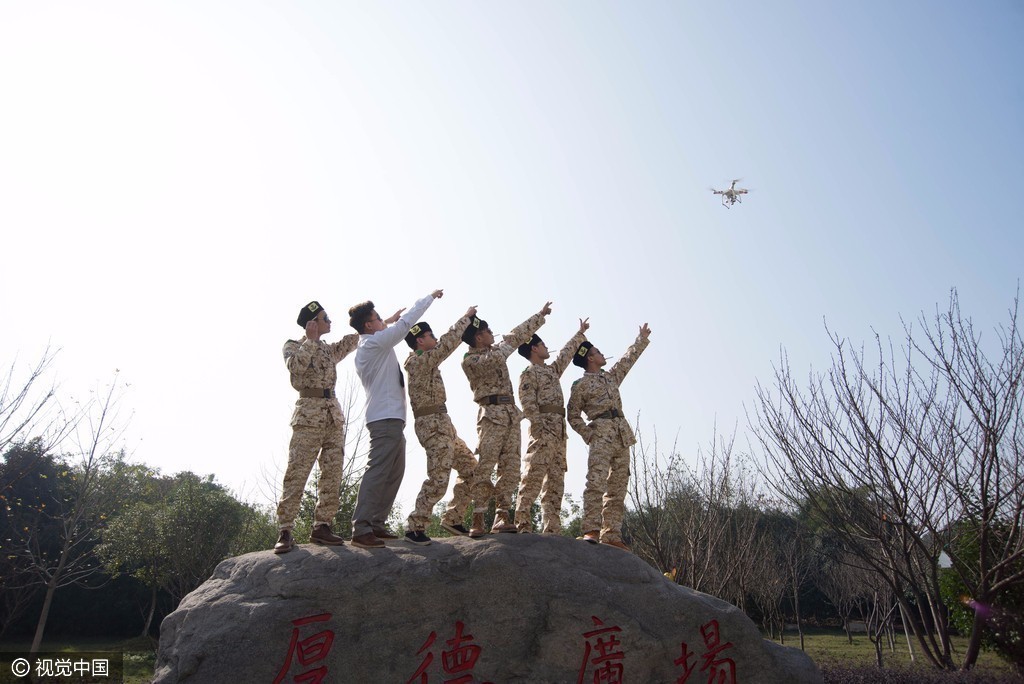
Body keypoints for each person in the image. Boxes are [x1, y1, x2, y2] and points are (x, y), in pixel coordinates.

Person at [347, 290, 442, 549]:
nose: (383, 322)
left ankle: (376, 523)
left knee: (394, 473)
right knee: (378, 472)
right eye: (378, 319)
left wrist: (385, 321)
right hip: (384, 418)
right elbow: (404, 325)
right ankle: (362, 528)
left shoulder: (372, 342)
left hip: (392, 419)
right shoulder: (373, 344)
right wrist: (428, 299)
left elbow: (388, 327)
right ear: (369, 325)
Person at [274, 301, 360, 554]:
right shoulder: (294, 346)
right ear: (312, 323)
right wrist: (310, 341)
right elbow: (295, 370)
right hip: (308, 416)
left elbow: (349, 342)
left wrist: (381, 324)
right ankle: (285, 530)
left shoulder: (327, 349)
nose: (330, 321)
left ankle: (322, 526)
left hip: (333, 416)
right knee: (297, 473)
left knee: (332, 474)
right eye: (325, 318)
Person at [461, 302, 550, 537]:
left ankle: (502, 515)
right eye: (488, 332)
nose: (493, 335)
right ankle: (478, 517)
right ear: (479, 338)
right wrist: (507, 344)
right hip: (491, 415)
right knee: (486, 466)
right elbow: (505, 348)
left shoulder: (495, 351)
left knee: (510, 467)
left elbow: (516, 335)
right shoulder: (470, 360)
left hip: (510, 413)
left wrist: (539, 316)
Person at [567, 323, 651, 551]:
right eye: (597, 352)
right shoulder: (581, 385)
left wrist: (640, 339)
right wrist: (588, 434)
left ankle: (612, 533)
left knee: (618, 487)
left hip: (622, 434)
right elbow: (572, 415)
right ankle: (591, 529)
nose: (601, 353)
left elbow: (627, 361)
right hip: (601, 434)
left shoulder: (611, 377)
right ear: (589, 358)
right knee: (595, 482)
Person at [402, 307, 480, 545]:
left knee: (472, 470)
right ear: (420, 340)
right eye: (431, 336)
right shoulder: (417, 362)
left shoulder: (429, 363)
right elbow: (447, 344)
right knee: (438, 478)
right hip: (431, 426)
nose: (435, 339)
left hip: (445, 424)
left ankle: (453, 517)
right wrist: (465, 319)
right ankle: (415, 526)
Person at [512, 318, 589, 534]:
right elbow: (527, 402)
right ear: (534, 348)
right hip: (544, 431)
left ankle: (552, 526)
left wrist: (580, 334)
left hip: (559, 433)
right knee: (534, 475)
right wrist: (539, 427)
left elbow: (565, 354)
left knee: (556, 481)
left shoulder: (552, 371)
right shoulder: (529, 373)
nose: (547, 348)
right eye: (544, 345)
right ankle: (522, 521)